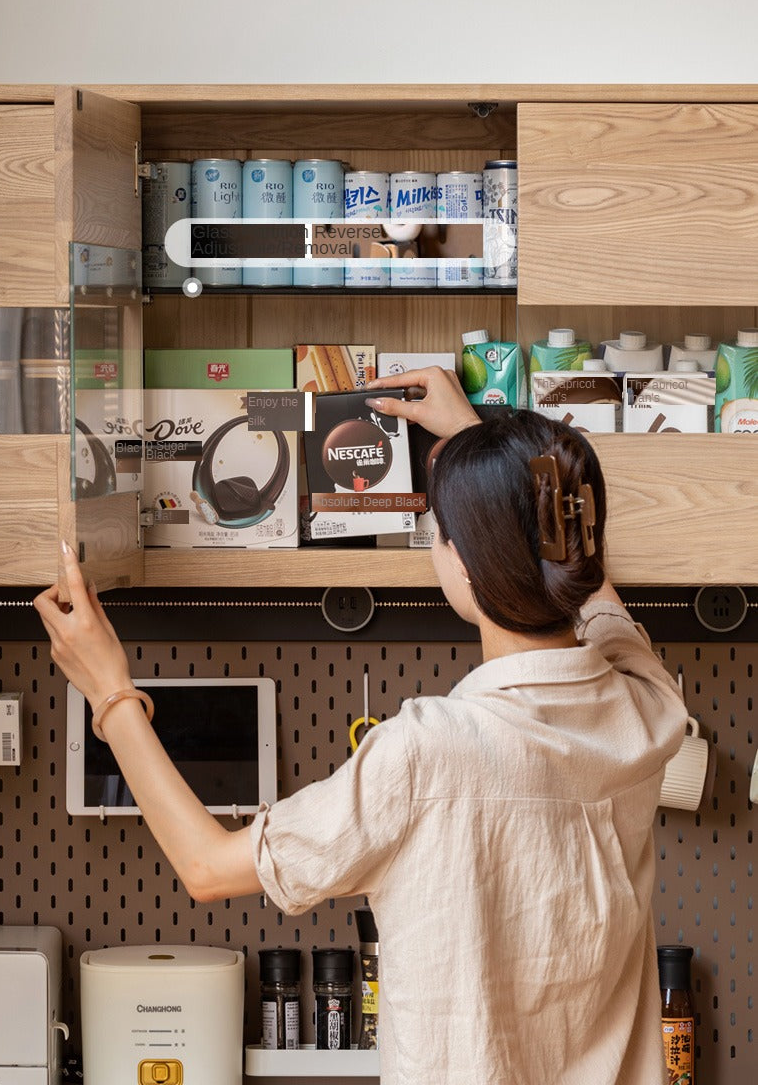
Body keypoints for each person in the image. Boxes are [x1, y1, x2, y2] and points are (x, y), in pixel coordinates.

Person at [34, 367, 687, 1084]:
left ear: (461, 563)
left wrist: (108, 688)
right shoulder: (646, 706)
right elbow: (585, 579)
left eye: (440, 532)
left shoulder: (426, 752)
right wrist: (486, 456)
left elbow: (206, 868)